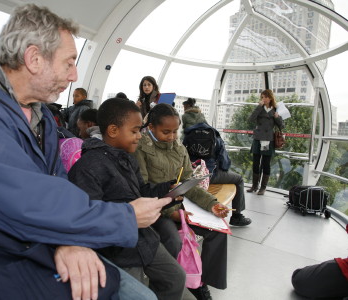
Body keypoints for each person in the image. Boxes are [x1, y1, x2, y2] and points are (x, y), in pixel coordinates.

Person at [0, 4, 172, 300]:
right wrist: (125, 217)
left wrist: (70, 240)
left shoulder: (41, 120)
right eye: (68, 63)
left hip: (22, 245)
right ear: (34, 58)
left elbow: (55, 189)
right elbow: (23, 197)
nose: (74, 75)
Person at [68, 98, 194, 300]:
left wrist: (168, 188)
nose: (139, 137)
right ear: (113, 130)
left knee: (175, 278)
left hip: (144, 239)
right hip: (119, 250)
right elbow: (88, 217)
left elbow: (141, 191)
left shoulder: (127, 158)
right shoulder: (87, 168)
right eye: (135, 131)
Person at [134, 103, 230, 300]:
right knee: (172, 239)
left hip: (180, 206)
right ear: (151, 128)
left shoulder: (179, 149)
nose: (171, 137)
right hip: (157, 210)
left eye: (175, 131)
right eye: (166, 132)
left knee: (218, 232)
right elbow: (141, 189)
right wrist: (172, 213)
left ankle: (199, 282)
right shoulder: (140, 148)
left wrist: (212, 204)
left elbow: (190, 184)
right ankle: (163, 287)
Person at [183, 122, 252, 226]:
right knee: (239, 179)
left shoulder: (187, 136)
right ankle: (237, 216)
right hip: (209, 176)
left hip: (191, 176)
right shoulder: (216, 137)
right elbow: (225, 164)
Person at [247, 89, 284, 195]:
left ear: (271, 98)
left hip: (267, 140)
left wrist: (277, 117)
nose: (264, 99)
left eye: (266, 97)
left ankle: (263, 188)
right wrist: (259, 106)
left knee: (265, 164)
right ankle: (254, 186)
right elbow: (250, 119)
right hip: (258, 138)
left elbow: (282, 126)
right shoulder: (259, 108)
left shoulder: (276, 109)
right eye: (262, 97)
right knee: (255, 163)